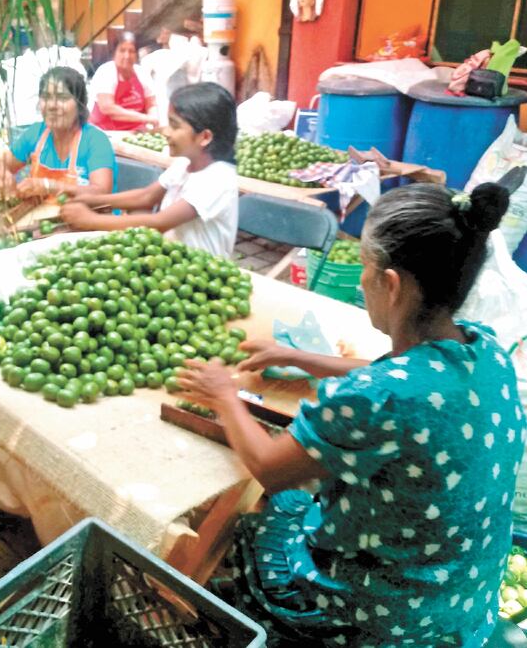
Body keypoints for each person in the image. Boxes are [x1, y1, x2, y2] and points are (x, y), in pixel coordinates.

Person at [176, 181, 525, 645]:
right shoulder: (487, 351)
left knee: (263, 515)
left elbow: (268, 467)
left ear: (391, 285)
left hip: (385, 617)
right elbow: (403, 377)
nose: (361, 280)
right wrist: (299, 357)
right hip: (461, 598)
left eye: (364, 266)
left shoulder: (374, 399)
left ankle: (263, 622)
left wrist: (223, 394)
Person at [61, 82, 238, 259]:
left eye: (175, 126)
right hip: (171, 259)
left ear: (204, 137)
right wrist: (92, 200)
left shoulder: (218, 179)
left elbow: (159, 223)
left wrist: (90, 220)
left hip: (198, 269)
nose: (166, 132)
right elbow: (146, 196)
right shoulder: (184, 164)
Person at [0, 66, 115, 202]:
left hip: (89, 214)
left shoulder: (96, 141)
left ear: (80, 105)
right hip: (43, 214)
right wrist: (3, 175)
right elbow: (2, 163)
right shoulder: (36, 133)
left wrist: (50, 186)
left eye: (62, 98)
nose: (52, 106)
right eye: (46, 97)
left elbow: (102, 193)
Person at [89, 32, 159, 132]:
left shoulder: (141, 73)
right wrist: (145, 118)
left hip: (136, 131)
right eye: (122, 50)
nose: (127, 56)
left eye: (131, 51)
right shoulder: (106, 71)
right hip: (106, 132)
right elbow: (108, 108)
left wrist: (154, 119)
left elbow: (151, 104)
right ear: (114, 53)